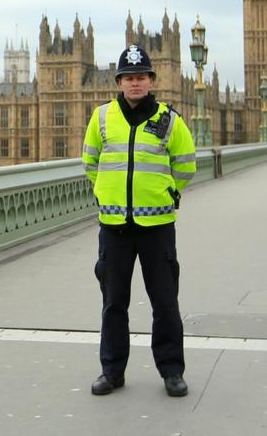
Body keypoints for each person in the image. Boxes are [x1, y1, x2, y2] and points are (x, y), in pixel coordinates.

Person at [81, 45, 197, 398]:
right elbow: (90, 162)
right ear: (119, 82)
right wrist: (104, 192)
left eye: (141, 77)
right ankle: (112, 371)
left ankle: (172, 371)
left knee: (165, 302)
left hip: (157, 225)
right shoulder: (101, 118)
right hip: (114, 225)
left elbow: (186, 164)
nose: (135, 83)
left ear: (151, 80)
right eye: (128, 78)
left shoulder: (169, 120)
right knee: (114, 303)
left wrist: (167, 192)